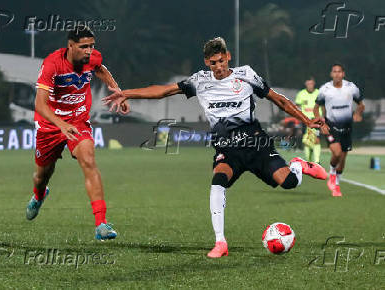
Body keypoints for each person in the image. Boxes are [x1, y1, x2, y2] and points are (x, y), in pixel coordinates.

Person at [102, 37, 328, 257]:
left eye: (222, 61)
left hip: (256, 144)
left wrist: (307, 120)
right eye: (213, 63)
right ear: (206, 63)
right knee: (218, 180)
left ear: (228, 57)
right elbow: (163, 91)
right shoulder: (199, 81)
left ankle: (298, 165)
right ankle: (220, 242)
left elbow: (278, 99)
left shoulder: (246, 75)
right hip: (227, 149)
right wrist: (126, 93)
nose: (218, 67)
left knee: (289, 182)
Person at [26, 26, 129, 240]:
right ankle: (39, 195)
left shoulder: (91, 57)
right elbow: (40, 104)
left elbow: (99, 68)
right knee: (41, 176)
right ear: (70, 46)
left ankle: (101, 224)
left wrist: (116, 89)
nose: (89, 51)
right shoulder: (52, 64)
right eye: (84, 47)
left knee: (89, 160)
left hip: (78, 120)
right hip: (50, 124)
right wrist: (61, 124)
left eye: (92, 46)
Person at [314, 64, 364, 197]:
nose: (337, 74)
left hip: (347, 128)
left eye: (339, 72)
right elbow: (316, 108)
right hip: (331, 127)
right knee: (336, 153)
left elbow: (361, 104)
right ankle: (331, 174)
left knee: (342, 161)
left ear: (343, 74)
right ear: (331, 74)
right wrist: (321, 123)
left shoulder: (351, 87)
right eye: (334, 72)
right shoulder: (325, 89)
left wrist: (358, 114)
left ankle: (336, 186)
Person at [295, 78, 321, 163]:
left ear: (314, 84)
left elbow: (323, 105)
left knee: (317, 139)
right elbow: (297, 107)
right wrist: (298, 119)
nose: (310, 85)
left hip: (316, 120)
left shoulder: (319, 93)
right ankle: (309, 161)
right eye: (308, 84)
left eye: (311, 83)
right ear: (305, 84)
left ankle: (317, 162)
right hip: (305, 120)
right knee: (307, 141)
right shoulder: (301, 94)